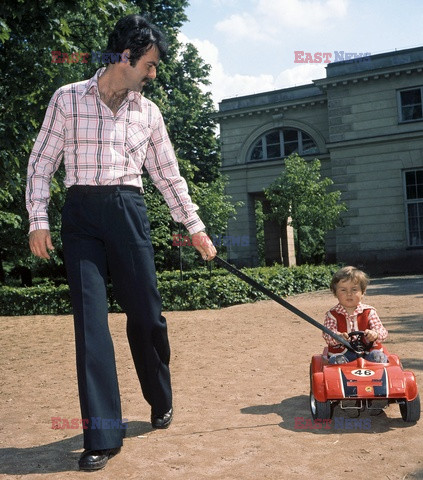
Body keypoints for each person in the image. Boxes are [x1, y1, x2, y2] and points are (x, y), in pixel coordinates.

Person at [26, 14, 217, 471]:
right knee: (91, 325)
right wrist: (38, 219)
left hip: (129, 212)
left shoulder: (148, 113)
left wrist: (195, 227)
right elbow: (41, 162)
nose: (153, 74)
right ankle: (104, 432)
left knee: (147, 316)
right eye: (149, 65)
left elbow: (168, 177)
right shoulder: (68, 98)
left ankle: (159, 395)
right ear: (125, 58)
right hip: (82, 217)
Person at [322, 266, 388, 364]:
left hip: (368, 353)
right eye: (343, 290)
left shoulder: (369, 312)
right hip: (343, 355)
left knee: (378, 357)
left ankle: (380, 378)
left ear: (363, 292)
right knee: (336, 360)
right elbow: (327, 335)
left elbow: (382, 332)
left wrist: (375, 334)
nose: (349, 294)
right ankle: (340, 378)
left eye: (354, 290)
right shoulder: (332, 315)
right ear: (335, 293)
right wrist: (338, 336)